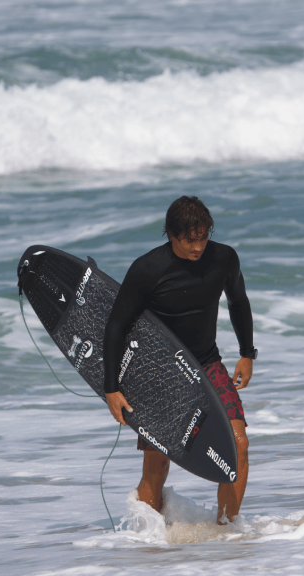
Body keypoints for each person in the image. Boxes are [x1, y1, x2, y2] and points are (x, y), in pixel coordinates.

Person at [102, 196, 257, 523]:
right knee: (157, 461)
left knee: (238, 446)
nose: (198, 247)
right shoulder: (147, 269)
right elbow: (116, 325)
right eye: (190, 240)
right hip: (160, 374)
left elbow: (238, 302)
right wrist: (111, 388)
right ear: (171, 235)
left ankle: (226, 532)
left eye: (203, 238)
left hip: (207, 365)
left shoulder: (223, 258)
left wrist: (247, 353)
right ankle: (148, 542)